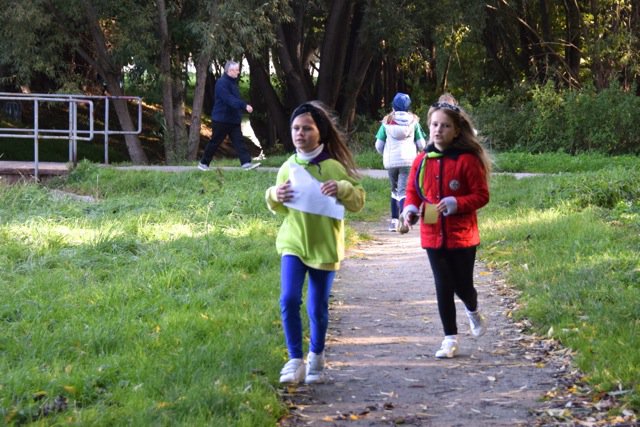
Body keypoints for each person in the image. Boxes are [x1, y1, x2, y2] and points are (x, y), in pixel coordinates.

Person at [265, 101, 366, 384]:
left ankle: (317, 357)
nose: (300, 133)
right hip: (293, 243)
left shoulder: (333, 167)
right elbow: (280, 207)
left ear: (320, 132)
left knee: (317, 308)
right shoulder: (287, 166)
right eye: (296, 128)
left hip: (324, 247)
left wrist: (343, 188)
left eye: (307, 128)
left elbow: (358, 201)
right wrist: (274, 195)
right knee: (288, 298)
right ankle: (295, 359)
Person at [400, 99, 491, 359]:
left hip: (462, 235)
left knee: (463, 285)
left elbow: (481, 195)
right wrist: (409, 210)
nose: (438, 130)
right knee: (443, 284)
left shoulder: (468, 161)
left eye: (445, 125)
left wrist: (456, 202)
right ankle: (449, 338)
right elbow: (412, 192)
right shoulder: (421, 160)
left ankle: (472, 310)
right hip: (431, 232)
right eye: (435, 124)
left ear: (456, 131)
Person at [374, 92, 426, 231]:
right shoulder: (414, 123)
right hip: (409, 162)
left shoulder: (386, 123)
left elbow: (378, 145)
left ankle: (394, 221)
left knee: (394, 190)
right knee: (404, 191)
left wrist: (385, 154)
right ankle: (405, 221)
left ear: (393, 106)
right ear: (408, 107)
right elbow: (422, 144)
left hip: (391, 162)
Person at [198, 60, 261, 171]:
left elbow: (234, 100)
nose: (238, 72)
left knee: (239, 142)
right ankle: (203, 163)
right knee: (215, 142)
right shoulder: (221, 83)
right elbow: (228, 99)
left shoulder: (232, 83)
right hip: (221, 120)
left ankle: (246, 163)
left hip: (233, 120)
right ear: (230, 70)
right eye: (236, 70)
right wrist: (244, 106)